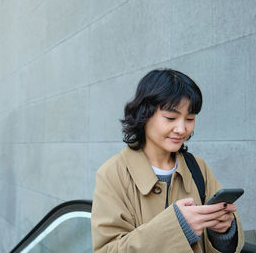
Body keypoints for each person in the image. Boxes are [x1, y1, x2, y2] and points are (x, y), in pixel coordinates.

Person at [91, 69, 244, 252]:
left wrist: (223, 232)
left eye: (190, 119)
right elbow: (107, 249)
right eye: (171, 118)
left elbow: (228, 244)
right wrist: (178, 228)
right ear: (144, 114)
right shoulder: (112, 173)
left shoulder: (198, 167)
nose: (181, 129)